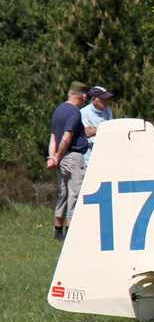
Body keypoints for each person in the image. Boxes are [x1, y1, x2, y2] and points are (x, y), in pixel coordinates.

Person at [47, 81, 90, 241]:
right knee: (75, 194)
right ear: (83, 97)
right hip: (73, 157)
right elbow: (66, 138)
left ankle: (58, 232)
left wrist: (53, 157)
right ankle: (70, 234)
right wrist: (57, 156)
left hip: (60, 158)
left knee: (62, 193)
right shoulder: (74, 112)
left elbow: (54, 137)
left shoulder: (59, 110)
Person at [81, 85, 114, 167]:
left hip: (106, 154)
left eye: (107, 99)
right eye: (104, 99)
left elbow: (112, 129)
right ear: (94, 100)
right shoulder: (84, 113)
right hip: (89, 157)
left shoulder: (108, 111)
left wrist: (95, 130)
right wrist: (104, 129)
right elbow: (86, 133)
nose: (107, 101)